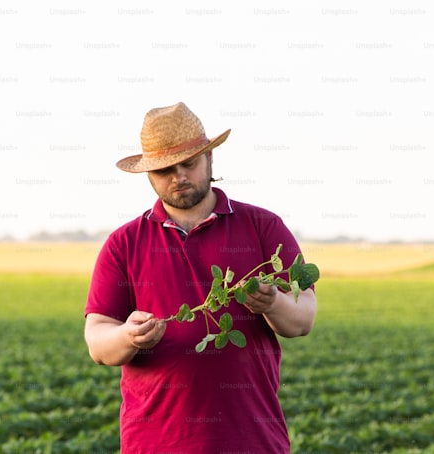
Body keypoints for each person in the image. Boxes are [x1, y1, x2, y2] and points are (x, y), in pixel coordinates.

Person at [84, 102, 317, 453]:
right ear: (149, 174)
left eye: (189, 164)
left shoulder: (262, 226)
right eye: (165, 170)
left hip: (252, 442)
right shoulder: (124, 243)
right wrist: (129, 336)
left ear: (209, 159)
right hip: (155, 444)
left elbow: (303, 319)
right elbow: (98, 341)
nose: (179, 176)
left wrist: (274, 302)